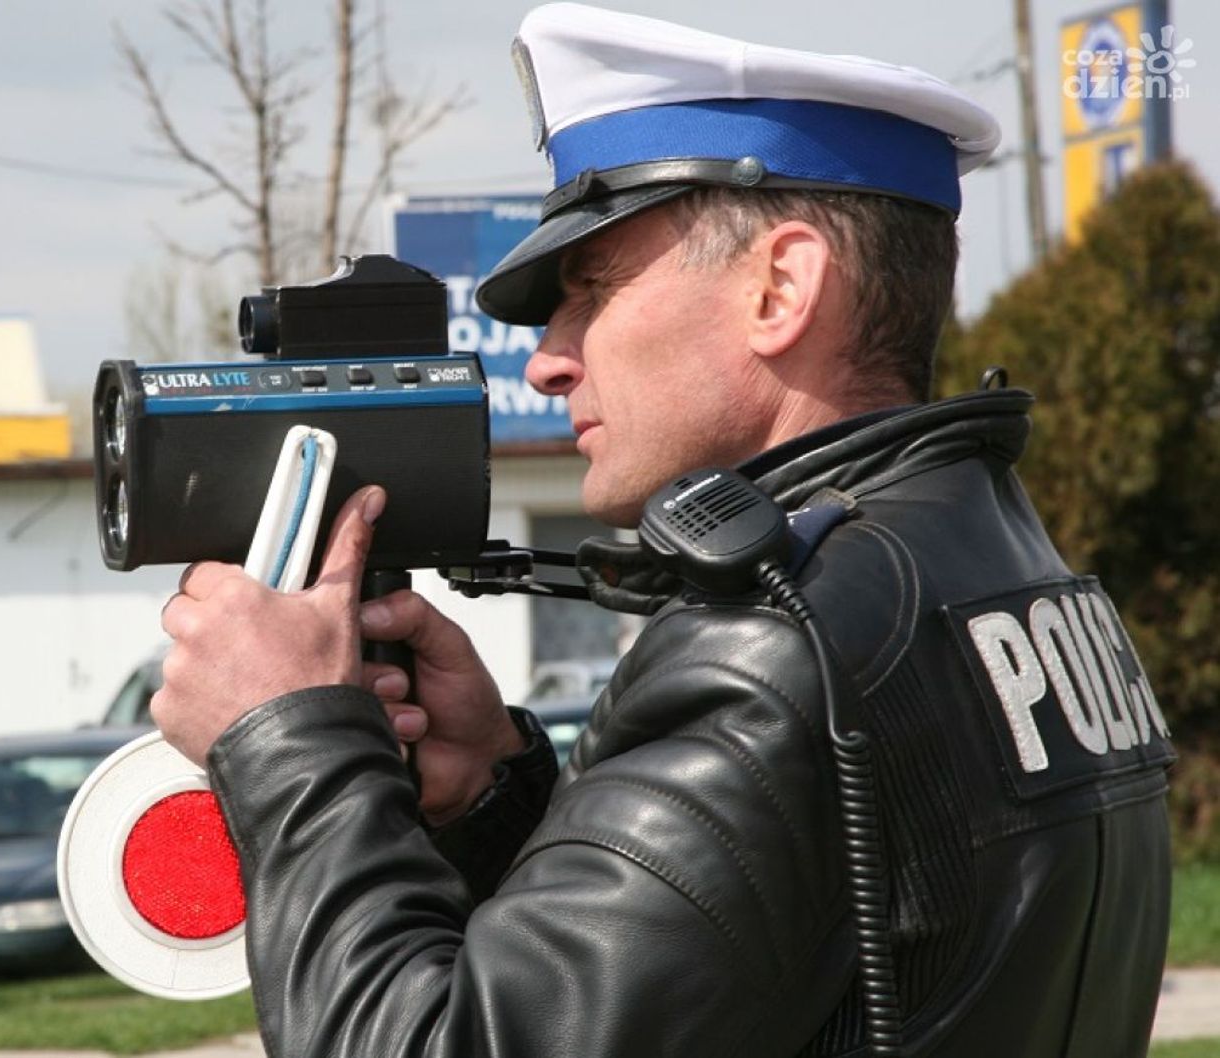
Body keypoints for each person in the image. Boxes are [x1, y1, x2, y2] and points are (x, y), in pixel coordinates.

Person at [151, 4, 1176, 1055]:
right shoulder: (996, 558)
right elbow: (729, 968)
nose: (550, 358)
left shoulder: (771, 648)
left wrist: (290, 736)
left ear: (780, 288)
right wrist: (498, 800)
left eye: (593, 290)